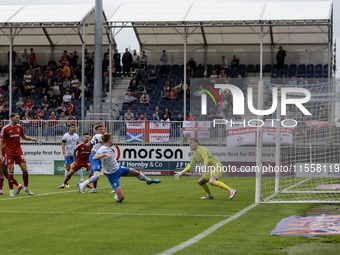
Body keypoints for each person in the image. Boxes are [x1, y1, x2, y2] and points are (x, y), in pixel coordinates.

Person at [78, 133, 161, 201]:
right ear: (109, 140)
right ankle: (116, 194)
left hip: (119, 169)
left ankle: (148, 180)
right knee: (121, 198)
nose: (112, 140)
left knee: (136, 172)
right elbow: (94, 157)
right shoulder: (103, 149)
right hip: (112, 175)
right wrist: (104, 155)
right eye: (112, 138)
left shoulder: (108, 147)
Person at [0, 113, 37, 196]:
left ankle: (26, 187)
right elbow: (1, 141)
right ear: (12, 118)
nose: (18, 119)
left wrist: (31, 139)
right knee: (11, 171)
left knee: (25, 170)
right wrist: (0, 154)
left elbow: (23, 137)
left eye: (18, 118)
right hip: (9, 151)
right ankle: (11, 191)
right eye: (17, 118)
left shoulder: (19, 127)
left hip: (18, 151)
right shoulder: (5, 128)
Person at [78, 124, 105, 192]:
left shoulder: (94, 136)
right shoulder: (100, 136)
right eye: (100, 129)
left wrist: (93, 148)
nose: (102, 131)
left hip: (96, 155)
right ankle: (82, 185)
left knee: (96, 174)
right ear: (96, 130)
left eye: (102, 129)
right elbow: (105, 142)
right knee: (97, 175)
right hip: (95, 156)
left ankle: (94, 188)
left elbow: (88, 144)